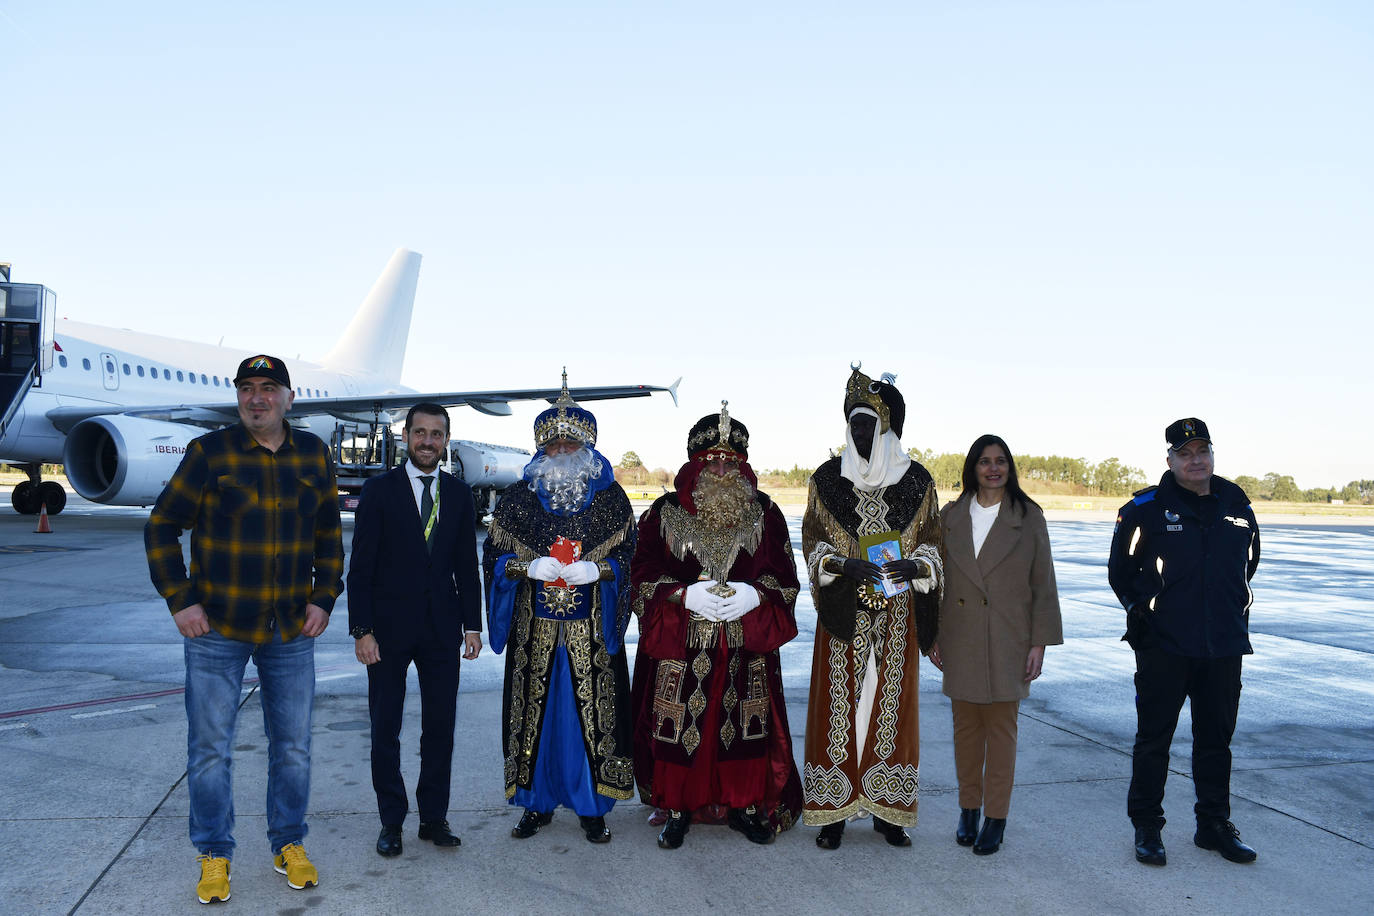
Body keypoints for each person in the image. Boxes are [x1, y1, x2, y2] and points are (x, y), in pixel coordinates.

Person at [145, 355, 343, 904]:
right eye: (247, 389)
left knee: (295, 747)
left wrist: (324, 598)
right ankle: (214, 852)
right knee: (210, 748)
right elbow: (162, 526)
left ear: (288, 396)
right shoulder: (210, 453)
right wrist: (180, 600)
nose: (257, 398)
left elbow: (328, 534)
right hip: (218, 629)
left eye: (268, 388)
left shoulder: (313, 454)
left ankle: (288, 841)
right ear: (238, 397)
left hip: (289, 630)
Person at [630, 402, 803, 849]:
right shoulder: (663, 512)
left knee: (745, 729)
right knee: (678, 729)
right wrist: (682, 593)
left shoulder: (765, 512)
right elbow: (641, 572)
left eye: (732, 461)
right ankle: (678, 807)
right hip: (682, 647)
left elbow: (785, 576)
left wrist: (756, 594)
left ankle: (745, 806)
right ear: (695, 463)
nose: (722, 469)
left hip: (746, 647)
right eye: (712, 461)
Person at [482, 375, 637, 843]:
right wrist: (524, 565)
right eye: (553, 444)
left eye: (572, 443)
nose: (562, 450)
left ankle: (593, 806)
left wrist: (603, 571)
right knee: (536, 715)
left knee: (592, 717)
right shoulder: (517, 500)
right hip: (535, 632)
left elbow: (631, 557)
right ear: (539, 450)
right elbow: (492, 558)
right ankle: (535, 803)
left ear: (588, 448)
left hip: (591, 632)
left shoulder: (611, 501)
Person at [800, 364, 941, 849]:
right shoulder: (827, 480)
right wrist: (842, 564)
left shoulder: (917, 481)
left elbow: (933, 543)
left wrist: (917, 567)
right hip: (844, 615)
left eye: (869, 424)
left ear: (885, 427)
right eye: (854, 423)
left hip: (897, 616)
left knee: (890, 707)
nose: (860, 433)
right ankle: (833, 811)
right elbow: (812, 543)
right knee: (840, 709)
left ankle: (888, 811)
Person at [1109, 418, 1261, 867]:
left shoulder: (1236, 502)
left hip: (1224, 645)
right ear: (1170, 459)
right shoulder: (1145, 508)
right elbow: (1121, 572)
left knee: (1216, 740)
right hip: (1165, 646)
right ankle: (1148, 828)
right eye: (1186, 453)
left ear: (1212, 454)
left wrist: (1230, 608)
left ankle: (1214, 825)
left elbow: (1249, 562)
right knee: (1154, 740)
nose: (1196, 461)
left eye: (1203, 451)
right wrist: (1144, 617)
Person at [347, 402, 483, 858]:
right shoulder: (379, 491)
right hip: (386, 631)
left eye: (436, 434)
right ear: (405, 437)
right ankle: (391, 821)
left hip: (443, 630)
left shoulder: (460, 494)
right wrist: (362, 630)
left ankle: (433, 817)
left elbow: (467, 565)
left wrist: (472, 625)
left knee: (440, 727)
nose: (428, 441)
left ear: (446, 440)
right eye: (420, 433)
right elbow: (360, 568)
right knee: (386, 726)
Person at [929, 434, 1062, 856]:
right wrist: (931, 635)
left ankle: (996, 817)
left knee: (1001, 735)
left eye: (1000, 461)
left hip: (1009, 639)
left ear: (1010, 468)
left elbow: (1044, 584)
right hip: (961, 637)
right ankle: (969, 808)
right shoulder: (949, 516)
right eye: (984, 461)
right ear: (972, 467)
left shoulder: (1028, 516)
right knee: (965, 733)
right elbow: (934, 584)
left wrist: (1039, 642)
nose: (992, 468)